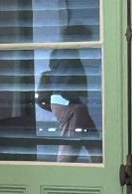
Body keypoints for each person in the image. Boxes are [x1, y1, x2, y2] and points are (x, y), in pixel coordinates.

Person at [36, 25, 101, 163]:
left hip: (65, 102)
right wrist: (77, 98)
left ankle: (99, 167)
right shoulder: (67, 54)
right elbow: (67, 80)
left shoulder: (59, 52)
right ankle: (63, 173)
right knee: (71, 146)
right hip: (69, 103)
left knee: (93, 142)